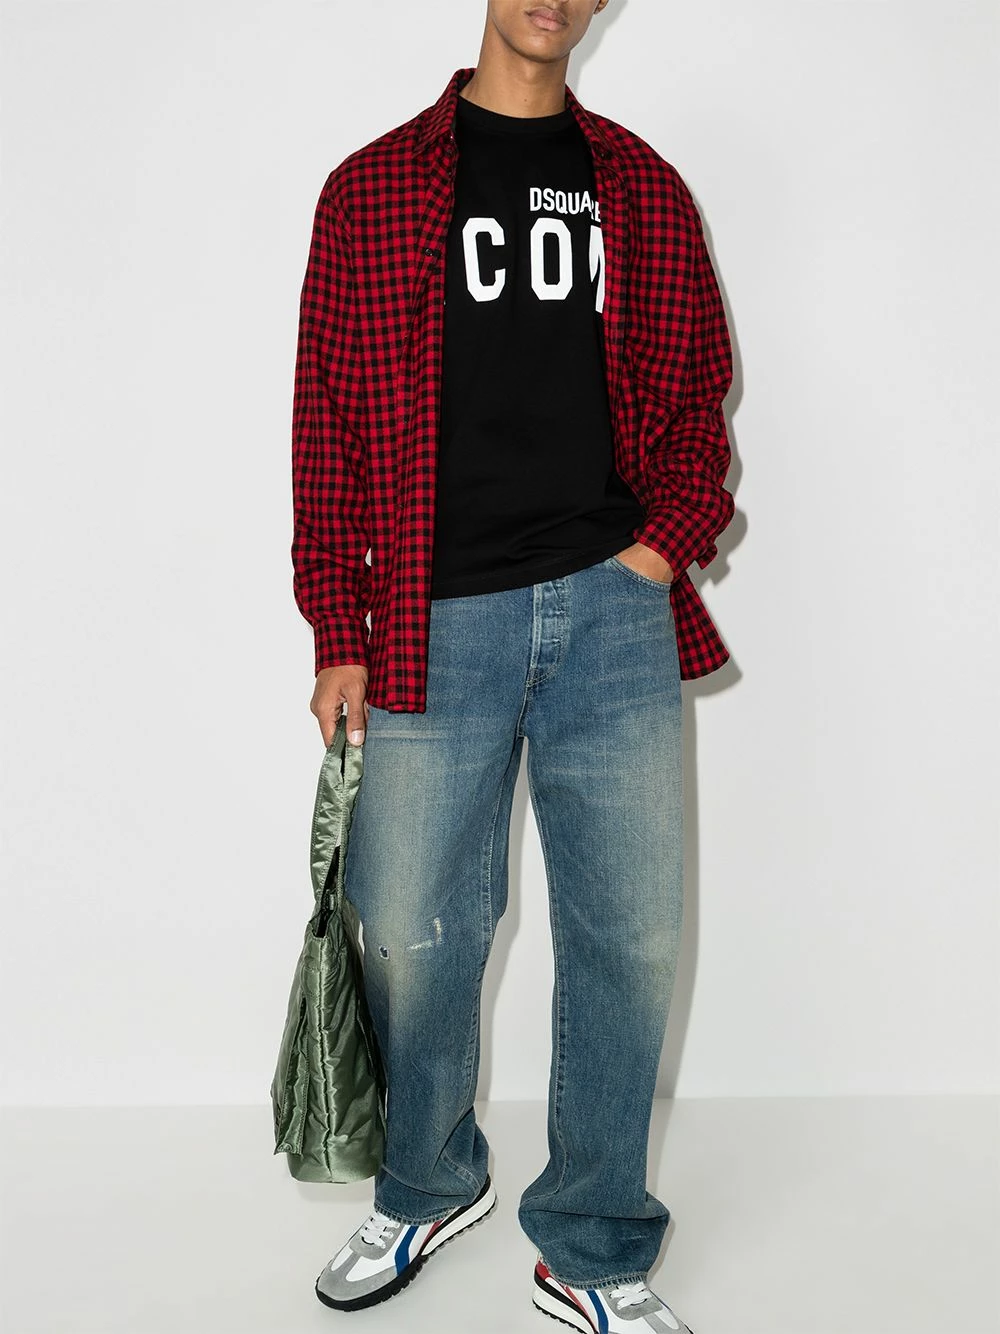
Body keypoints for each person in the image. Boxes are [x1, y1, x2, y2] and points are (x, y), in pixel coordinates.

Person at [290, 2, 735, 1329]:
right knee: (410, 929)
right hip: (434, 617)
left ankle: (593, 1243)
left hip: (613, 612)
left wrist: (655, 551)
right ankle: (430, 1179)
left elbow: (697, 394)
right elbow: (325, 421)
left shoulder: (642, 187)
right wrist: (338, 627)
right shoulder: (370, 190)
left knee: (631, 934)